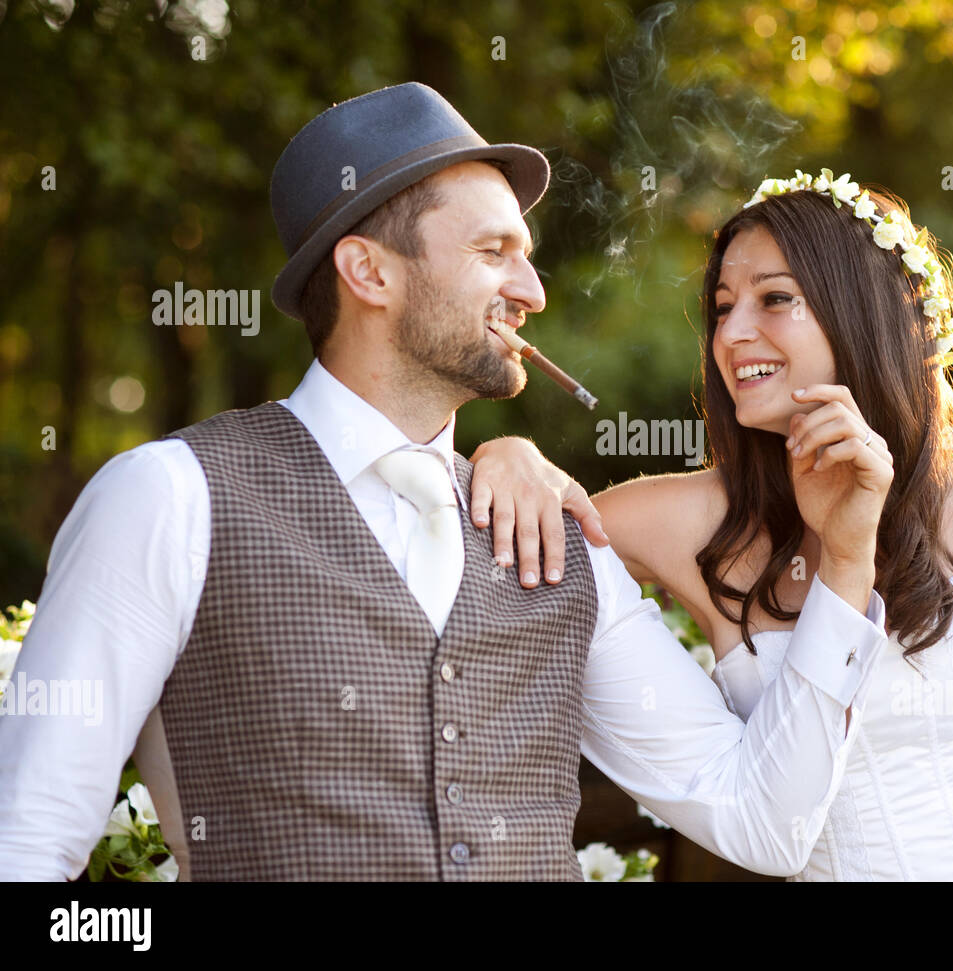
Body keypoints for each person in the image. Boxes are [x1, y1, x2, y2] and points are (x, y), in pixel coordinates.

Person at [0, 87, 896, 881]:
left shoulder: (558, 538)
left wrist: (847, 558)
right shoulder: (168, 497)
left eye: (528, 255)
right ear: (370, 271)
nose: (533, 290)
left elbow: (763, 819)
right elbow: (27, 841)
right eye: (495, 251)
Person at [472, 169, 953, 881]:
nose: (732, 332)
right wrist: (508, 452)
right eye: (721, 307)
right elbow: (532, 535)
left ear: (862, 313)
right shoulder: (680, 519)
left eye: (774, 298)